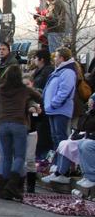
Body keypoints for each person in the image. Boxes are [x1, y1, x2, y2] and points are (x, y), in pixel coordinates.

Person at [0, 65, 43, 200]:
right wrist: (29, 102)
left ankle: (1, 189)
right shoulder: (25, 90)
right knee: (20, 156)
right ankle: (12, 185)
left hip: (3, 124)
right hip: (19, 123)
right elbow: (39, 97)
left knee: (6, 157)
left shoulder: (0, 90)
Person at [41, 47, 79, 183]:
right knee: (55, 139)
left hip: (60, 110)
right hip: (52, 109)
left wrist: (54, 103)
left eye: (56, 57)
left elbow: (65, 90)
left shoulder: (68, 71)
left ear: (62, 58)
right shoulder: (59, 71)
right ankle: (56, 167)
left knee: (62, 140)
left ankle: (62, 171)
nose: (54, 59)